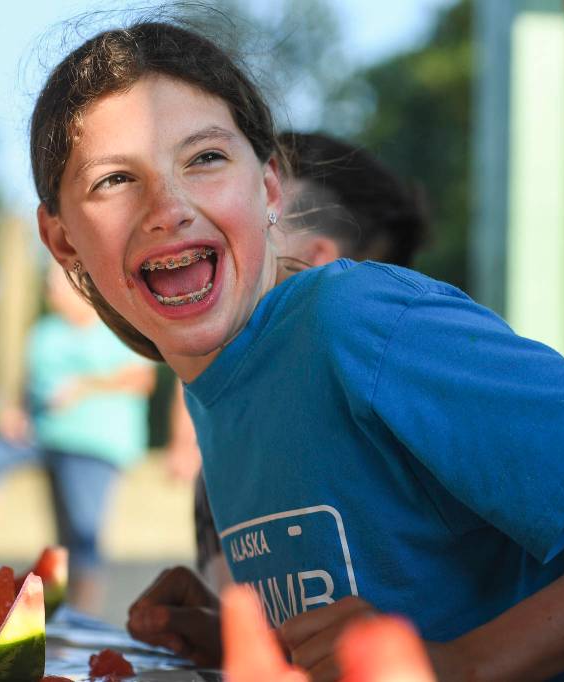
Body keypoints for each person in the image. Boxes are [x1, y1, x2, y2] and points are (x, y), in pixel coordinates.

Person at [30, 19, 564, 681]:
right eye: (115, 179)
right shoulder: (217, 387)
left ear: (267, 188)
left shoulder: (355, 323)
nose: (167, 206)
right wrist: (244, 642)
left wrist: (465, 665)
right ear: (61, 241)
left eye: (205, 158)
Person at [183, 130, 430, 589]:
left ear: (316, 261)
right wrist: (216, 630)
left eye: (263, 211)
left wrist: (467, 661)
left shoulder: (414, 395)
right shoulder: (229, 429)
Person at [0, 263, 155, 615]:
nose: (49, 291)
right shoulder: (43, 333)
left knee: (81, 533)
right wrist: (15, 412)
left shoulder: (119, 328)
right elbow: (27, 387)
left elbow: (142, 380)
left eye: (56, 284)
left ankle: (81, 617)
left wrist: (86, 386)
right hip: (40, 434)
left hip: (93, 442)